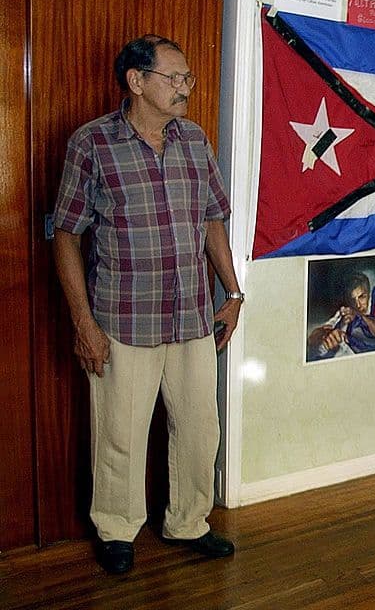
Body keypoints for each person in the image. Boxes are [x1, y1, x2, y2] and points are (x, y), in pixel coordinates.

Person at [52, 35, 242, 575]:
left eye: (189, 80)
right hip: (122, 320)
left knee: (200, 428)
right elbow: (65, 235)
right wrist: (83, 323)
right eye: (175, 79)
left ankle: (188, 522)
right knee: (120, 432)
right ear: (137, 82)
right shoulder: (92, 145)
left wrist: (232, 293)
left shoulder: (195, 140)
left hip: (192, 317)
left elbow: (212, 220)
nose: (186, 89)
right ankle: (116, 529)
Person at [307, 270, 375, 360]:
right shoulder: (348, 309)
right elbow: (324, 329)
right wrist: (325, 334)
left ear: (368, 294)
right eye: (353, 299)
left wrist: (359, 316)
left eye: (362, 297)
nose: (358, 304)